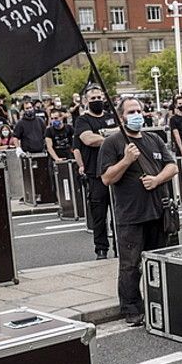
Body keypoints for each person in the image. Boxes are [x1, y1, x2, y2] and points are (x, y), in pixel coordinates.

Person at [98, 96, 178, 327]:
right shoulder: (112, 143)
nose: (136, 115)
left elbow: (171, 166)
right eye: (131, 112)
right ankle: (131, 308)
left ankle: (159, 301)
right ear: (121, 117)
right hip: (131, 216)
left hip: (157, 212)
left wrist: (157, 179)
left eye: (139, 111)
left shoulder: (154, 139)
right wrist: (126, 160)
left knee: (158, 262)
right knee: (130, 266)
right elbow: (106, 178)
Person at [73, 86, 118, 259]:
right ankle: (101, 249)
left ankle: (119, 246)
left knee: (119, 213)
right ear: (86, 101)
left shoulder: (110, 116)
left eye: (99, 97)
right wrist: (110, 136)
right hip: (95, 173)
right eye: (92, 99)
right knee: (99, 215)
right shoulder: (82, 120)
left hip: (115, 171)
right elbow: (88, 139)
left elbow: (122, 132)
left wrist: (102, 135)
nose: (96, 101)